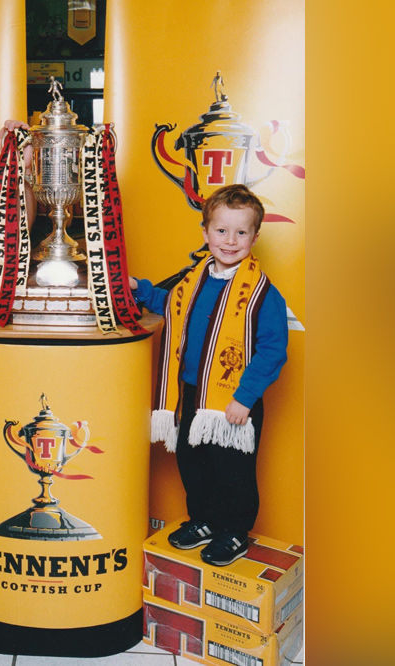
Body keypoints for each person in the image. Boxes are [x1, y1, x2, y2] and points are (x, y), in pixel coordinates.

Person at [130, 184, 289, 566]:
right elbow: (173, 305)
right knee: (193, 461)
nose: (230, 241)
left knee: (232, 472)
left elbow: (272, 351)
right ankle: (203, 519)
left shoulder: (262, 294)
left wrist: (244, 398)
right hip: (190, 392)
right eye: (221, 231)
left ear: (255, 236)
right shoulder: (195, 278)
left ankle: (233, 530)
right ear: (205, 233)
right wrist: (139, 290)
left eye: (241, 232)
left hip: (233, 400)